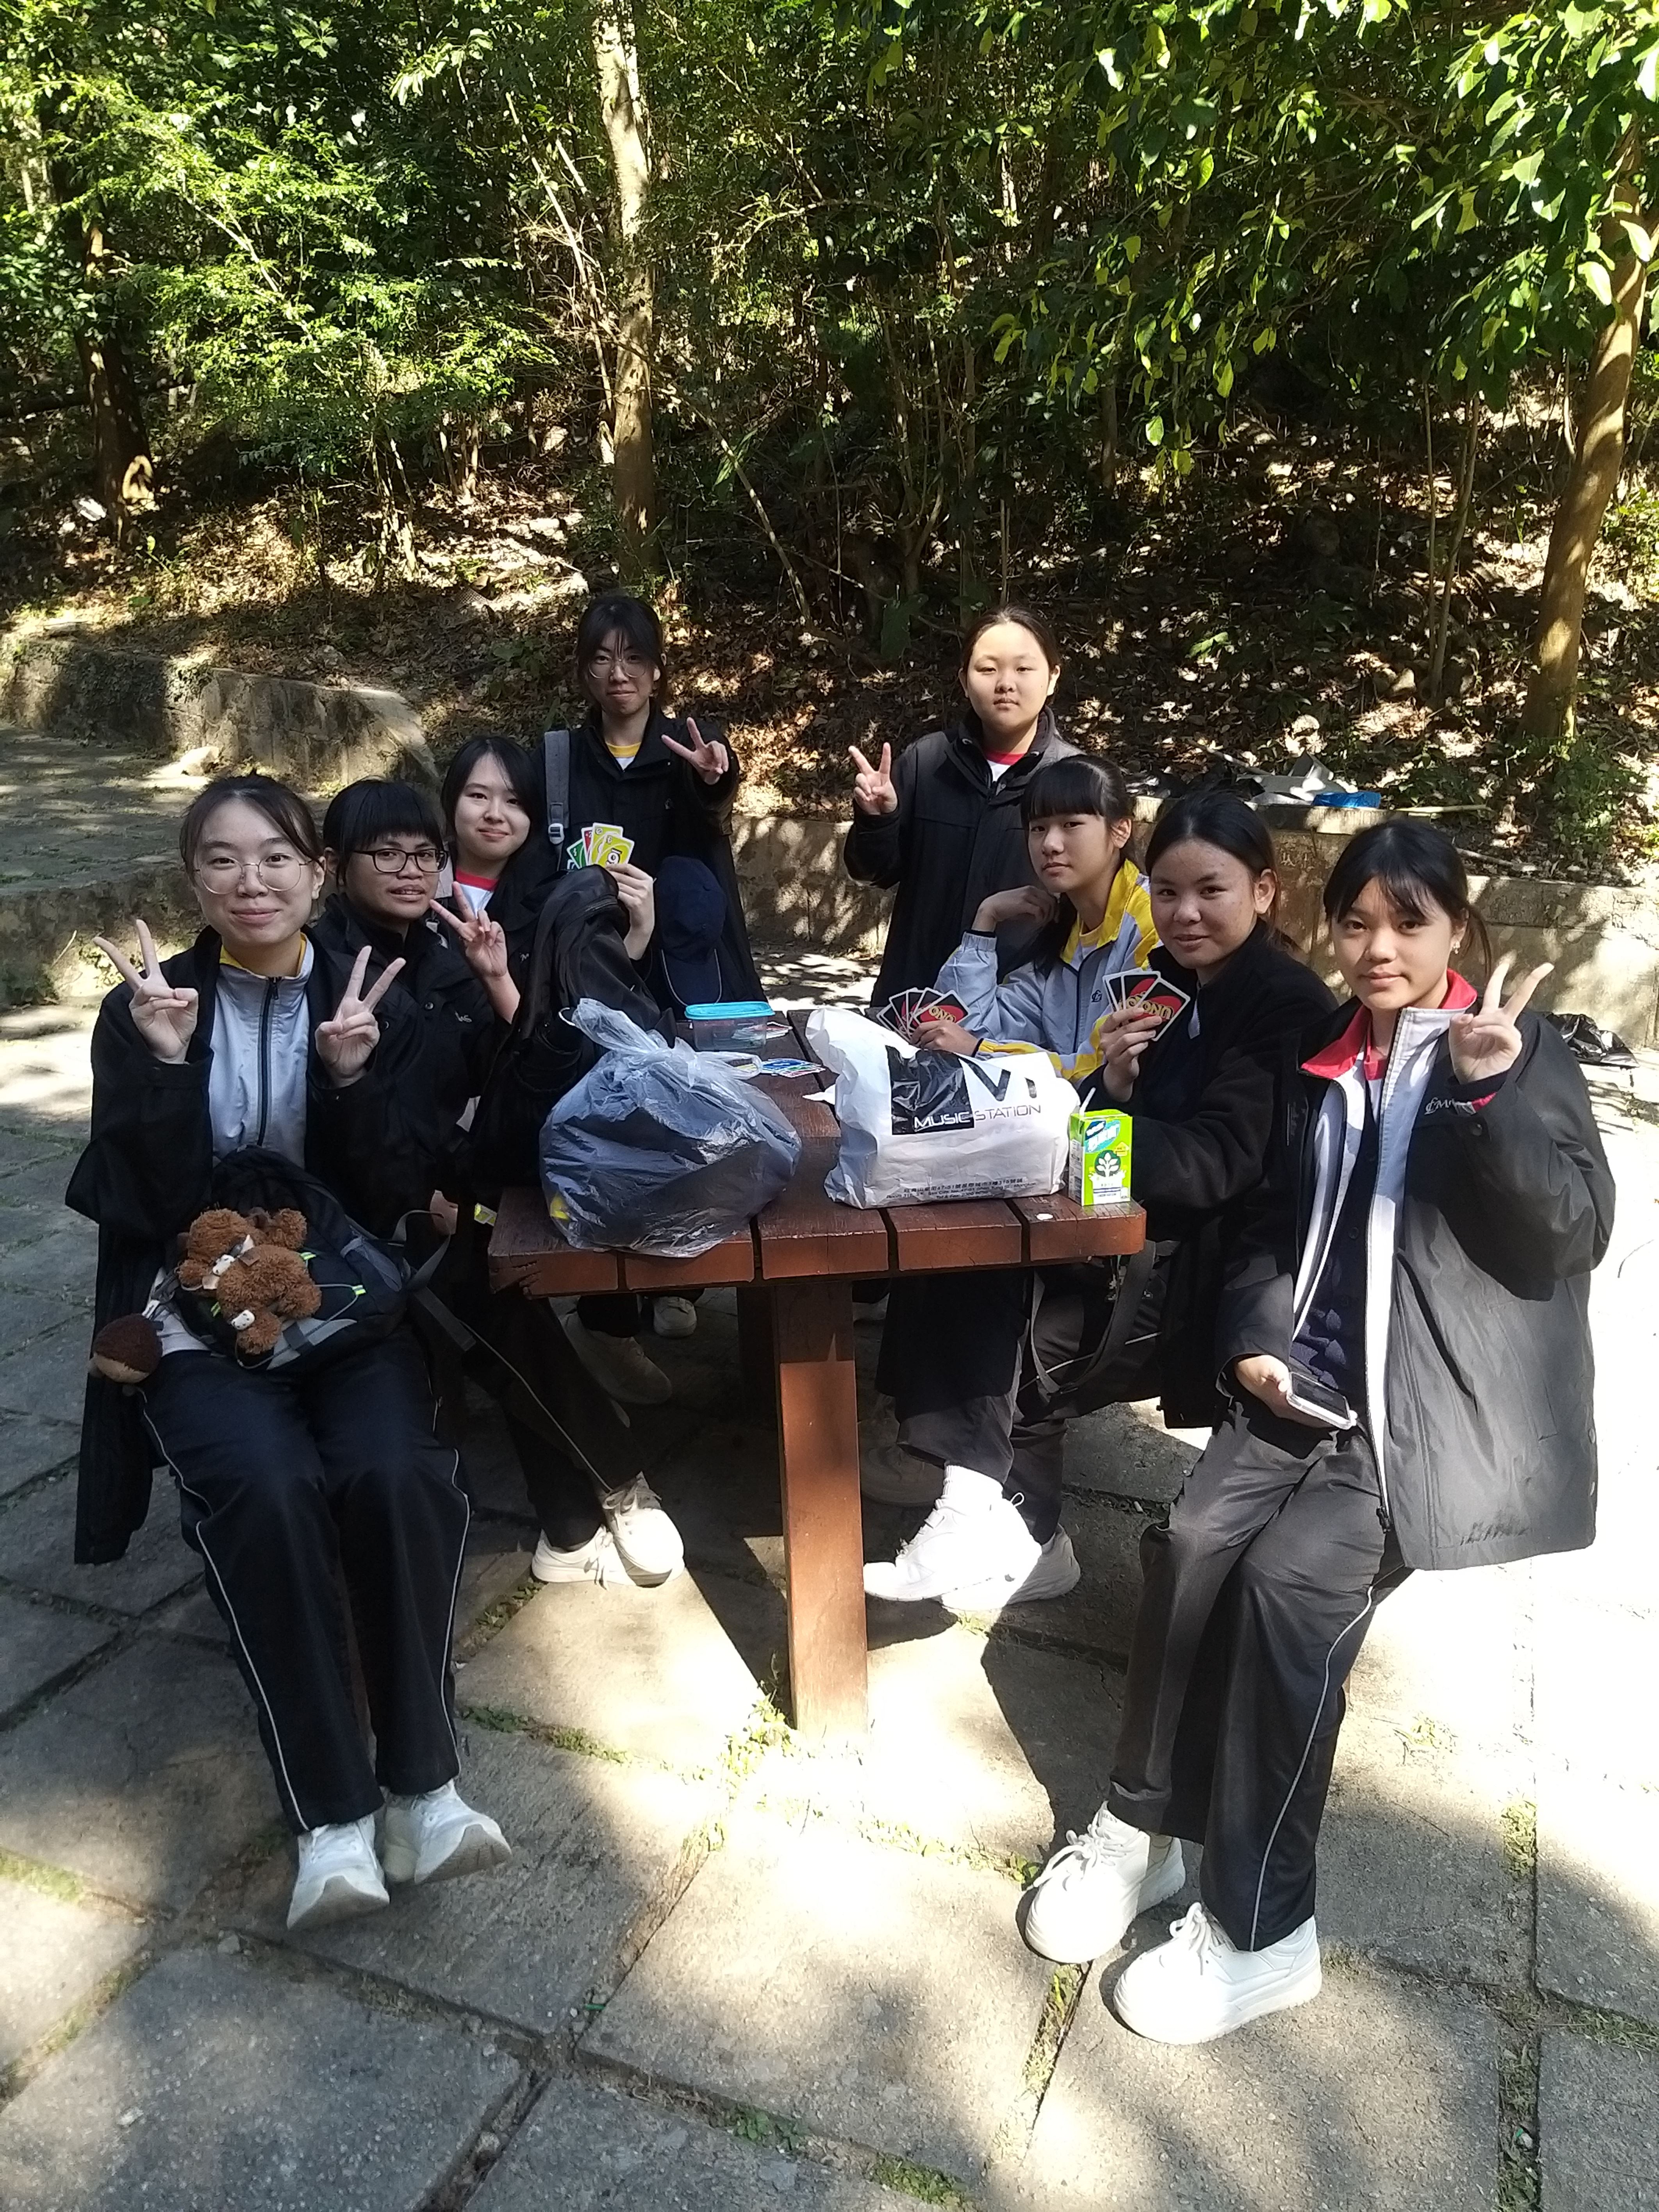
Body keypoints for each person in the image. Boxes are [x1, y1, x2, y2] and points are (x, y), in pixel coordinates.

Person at [1021, 820, 1613, 2046]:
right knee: (1191, 1549)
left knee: (1288, 1598)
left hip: (1418, 1423)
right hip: (1300, 1387)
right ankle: (1142, 1828)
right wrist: (1254, 1339)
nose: (1380, 946)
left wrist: (1488, 1096)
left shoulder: (1513, 1052)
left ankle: (1263, 1931)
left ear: (1457, 929)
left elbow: (1573, 1231)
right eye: (1358, 923)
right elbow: (1262, 1224)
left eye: (1410, 922)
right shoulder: (1324, 1054)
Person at [67, 774, 510, 1936]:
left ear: (318, 873)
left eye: (275, 857)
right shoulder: (145, 1007)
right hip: (195, 1318)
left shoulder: (373, 995)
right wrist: (168, 1067)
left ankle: (426, 1788)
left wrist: (353, 1077)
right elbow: (141, 1205)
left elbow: (398, 1189)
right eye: (221, 860)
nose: (250, 882)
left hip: (343, 1307)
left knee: (398, 1473)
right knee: (265, 1489)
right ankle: (332, 1819)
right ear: (193, 879)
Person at [864, 778, 1334, 1602]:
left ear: (1263, 891)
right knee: (953, 1256)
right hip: (1124, 1219)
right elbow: (1123, 1112)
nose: (1184, 913)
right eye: (1169, 892)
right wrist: (1112, 1083)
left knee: (1024, 1334)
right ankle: (993, 1513)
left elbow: (1220, 1159)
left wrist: (1077, 1127)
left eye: (1211, 891)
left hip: (1207, 1265)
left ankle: (998, 1519)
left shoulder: (1283, 1003)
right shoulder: (1167, 977)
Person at [435, 733, 680, 1405]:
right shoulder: (416, 883)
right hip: (450, 1098)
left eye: (514, 801)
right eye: (478, 795)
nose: (495, 814)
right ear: (450, 802)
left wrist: (636, 935)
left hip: (535, 1088)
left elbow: (595, 1004)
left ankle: (609, 1324)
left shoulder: (553, 890)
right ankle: (496, 1348)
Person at [844, 605, 1082, 1005]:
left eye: (1024, 669)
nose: (1005, 684)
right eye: (988, 669)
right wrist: (878, 820)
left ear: (1053, 677)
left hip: (1022, 1007)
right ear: (964, 682)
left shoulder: (1075, 779)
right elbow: (870, 873)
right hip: (915, 996)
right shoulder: (927, 762)